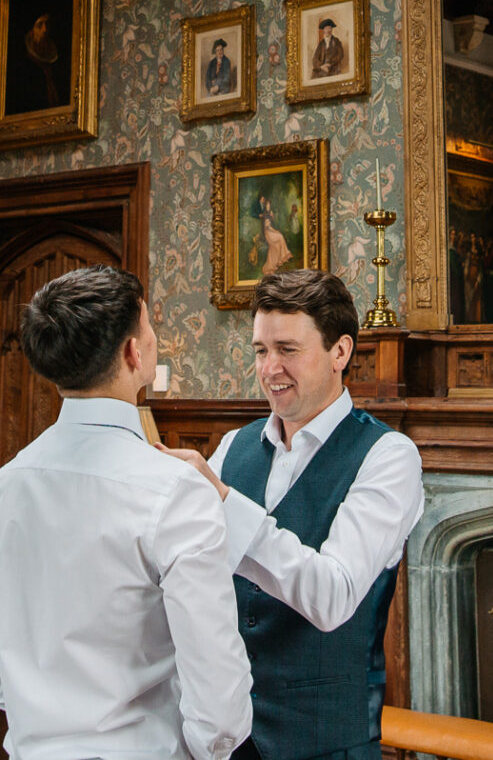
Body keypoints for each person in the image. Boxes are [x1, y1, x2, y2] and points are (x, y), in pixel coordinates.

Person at [0, 266, 252, 760]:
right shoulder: (177, 492)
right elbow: (219, 704)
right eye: (150, 326)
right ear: (134, 352)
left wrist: (53, 712)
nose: (154, 339)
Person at [163, 269, 424, 760]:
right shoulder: (231, 448)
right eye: (261, 350)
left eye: (287, 350)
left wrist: (223, 503)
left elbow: (333, 595)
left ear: (340, 352)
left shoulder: (388, 456)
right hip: (224, 737)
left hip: (327, 743)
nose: (269, 368)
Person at [254, 191, 294, 277]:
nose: (268, 206)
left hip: (271, 231)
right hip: (268, 234)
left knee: (279, 238)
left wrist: (273, 218)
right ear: (265, 206)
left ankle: (280, 259)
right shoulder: (264, 214)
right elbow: (267, 227)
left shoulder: (270, 213)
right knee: (279, 237)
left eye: (269, 205)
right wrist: (275, 231)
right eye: (267, 205)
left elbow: (273, 224)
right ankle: (281, 258)